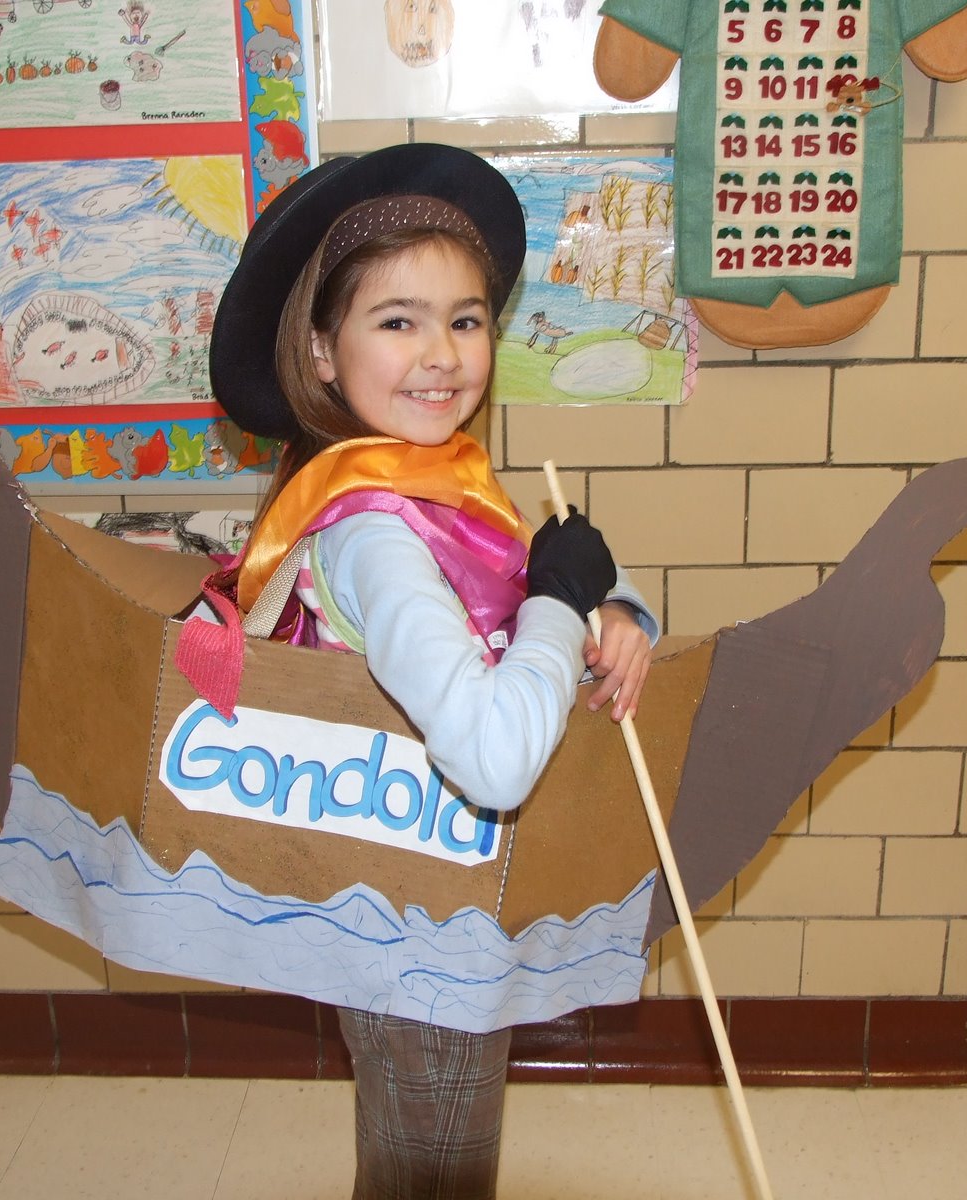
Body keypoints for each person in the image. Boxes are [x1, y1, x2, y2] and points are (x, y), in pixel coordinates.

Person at [208, 143, 658, 1199]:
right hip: (419, 933)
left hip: (437, 898)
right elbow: (497, 759)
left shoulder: (445, 485)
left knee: (414, 1151)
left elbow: (538, 584)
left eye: (464, 319)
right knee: (436, 1165)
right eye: (396, 320)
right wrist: (560, 601)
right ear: (321, 351)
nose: (441, 353)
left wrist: (617, 604)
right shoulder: (375, 530)